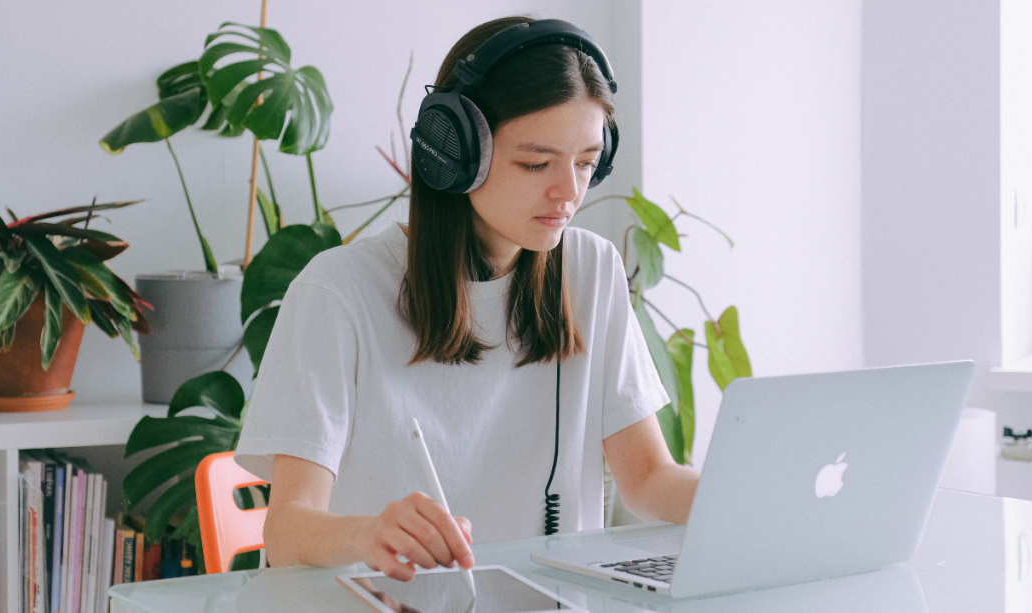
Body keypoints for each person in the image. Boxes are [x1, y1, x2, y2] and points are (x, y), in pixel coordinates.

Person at [233, 15, 700, 582]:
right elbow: (286, 530)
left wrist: (762, 499)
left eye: (585, 163)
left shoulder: (590, 270)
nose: (568, 192)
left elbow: (648, 479)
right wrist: (366, 532)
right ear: (452, 153)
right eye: (535, 163)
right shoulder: (338, 291)